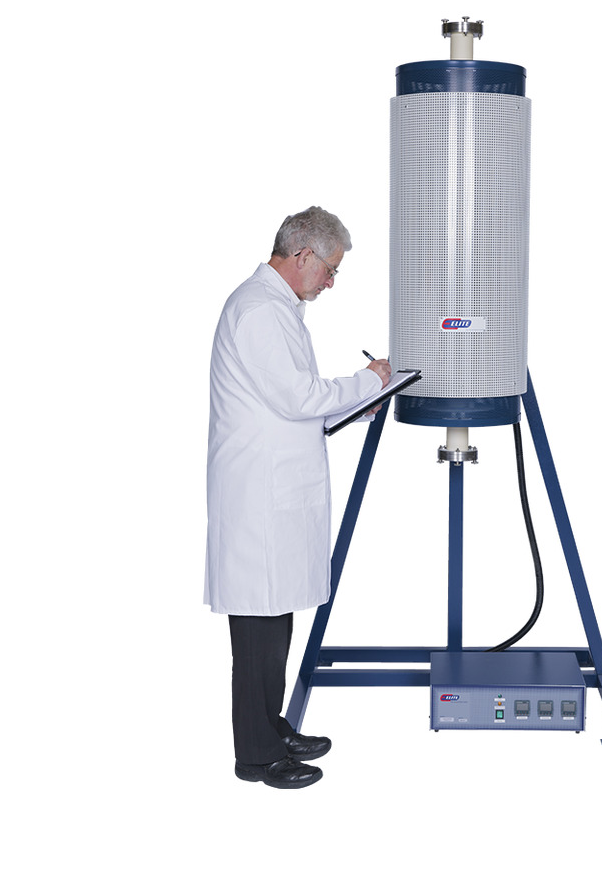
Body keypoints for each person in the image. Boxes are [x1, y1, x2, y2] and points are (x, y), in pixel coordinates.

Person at [204, 206, 390, 789]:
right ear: (303, 254)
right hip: (258, 498)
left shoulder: (276, 309)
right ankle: (256, 757)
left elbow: (296, 403)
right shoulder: (260, 311)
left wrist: (361, 400)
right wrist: (372, 381)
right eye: (330, 269)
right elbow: (299, 397)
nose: (331, 282)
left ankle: (272, 727)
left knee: (275, 623)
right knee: (257, 635)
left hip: (274, 492)